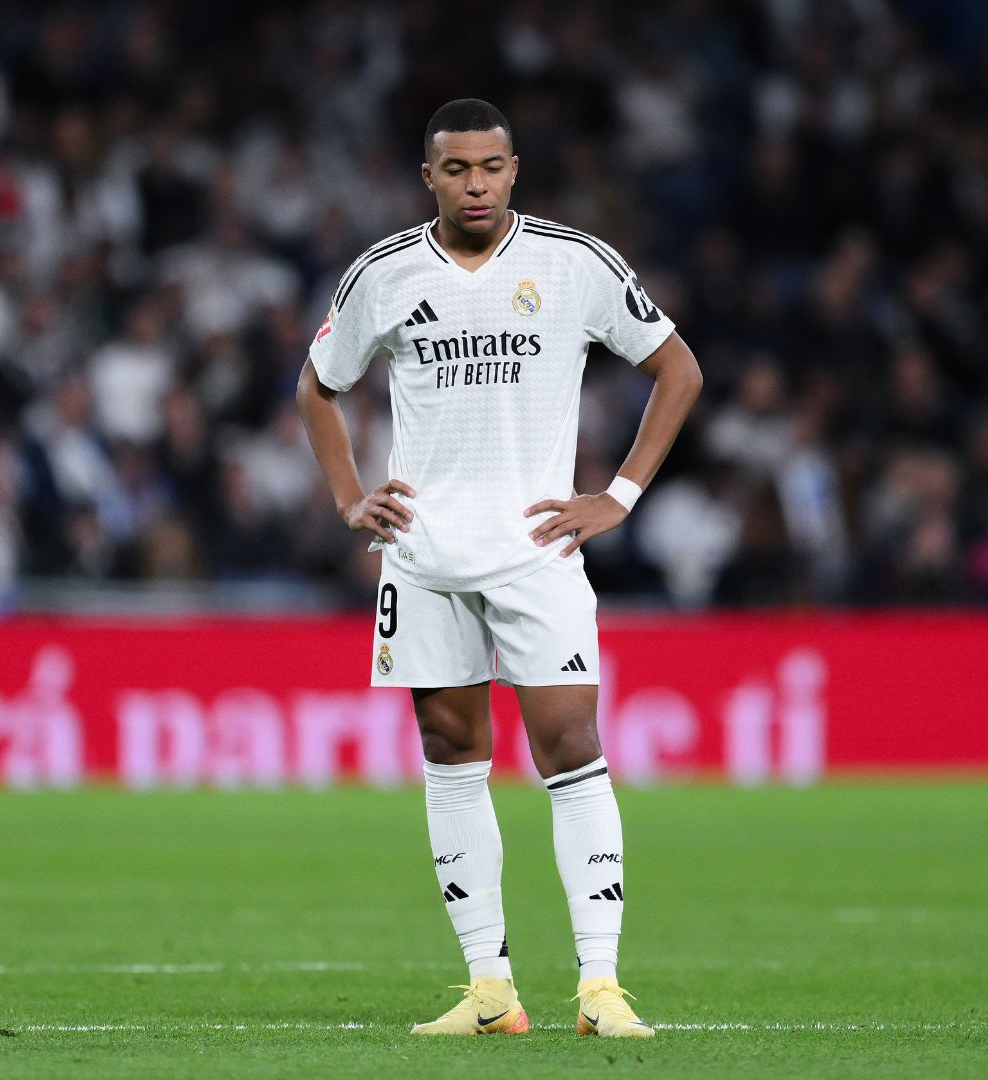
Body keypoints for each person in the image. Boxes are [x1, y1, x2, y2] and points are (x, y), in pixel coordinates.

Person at [295, 98, 701, 1038]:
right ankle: (489, 992)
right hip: (425, 557)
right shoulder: (384, 275)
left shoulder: (574, 263)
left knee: (571, 753)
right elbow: (317, 386)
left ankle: (600, 989)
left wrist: (620, 497)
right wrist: (349, 497)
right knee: (450, 760)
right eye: (455, 169)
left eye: (490, 167)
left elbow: (678, 368)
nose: (474, 184)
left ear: (514, 170)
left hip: (537, 554)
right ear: (427, 177)